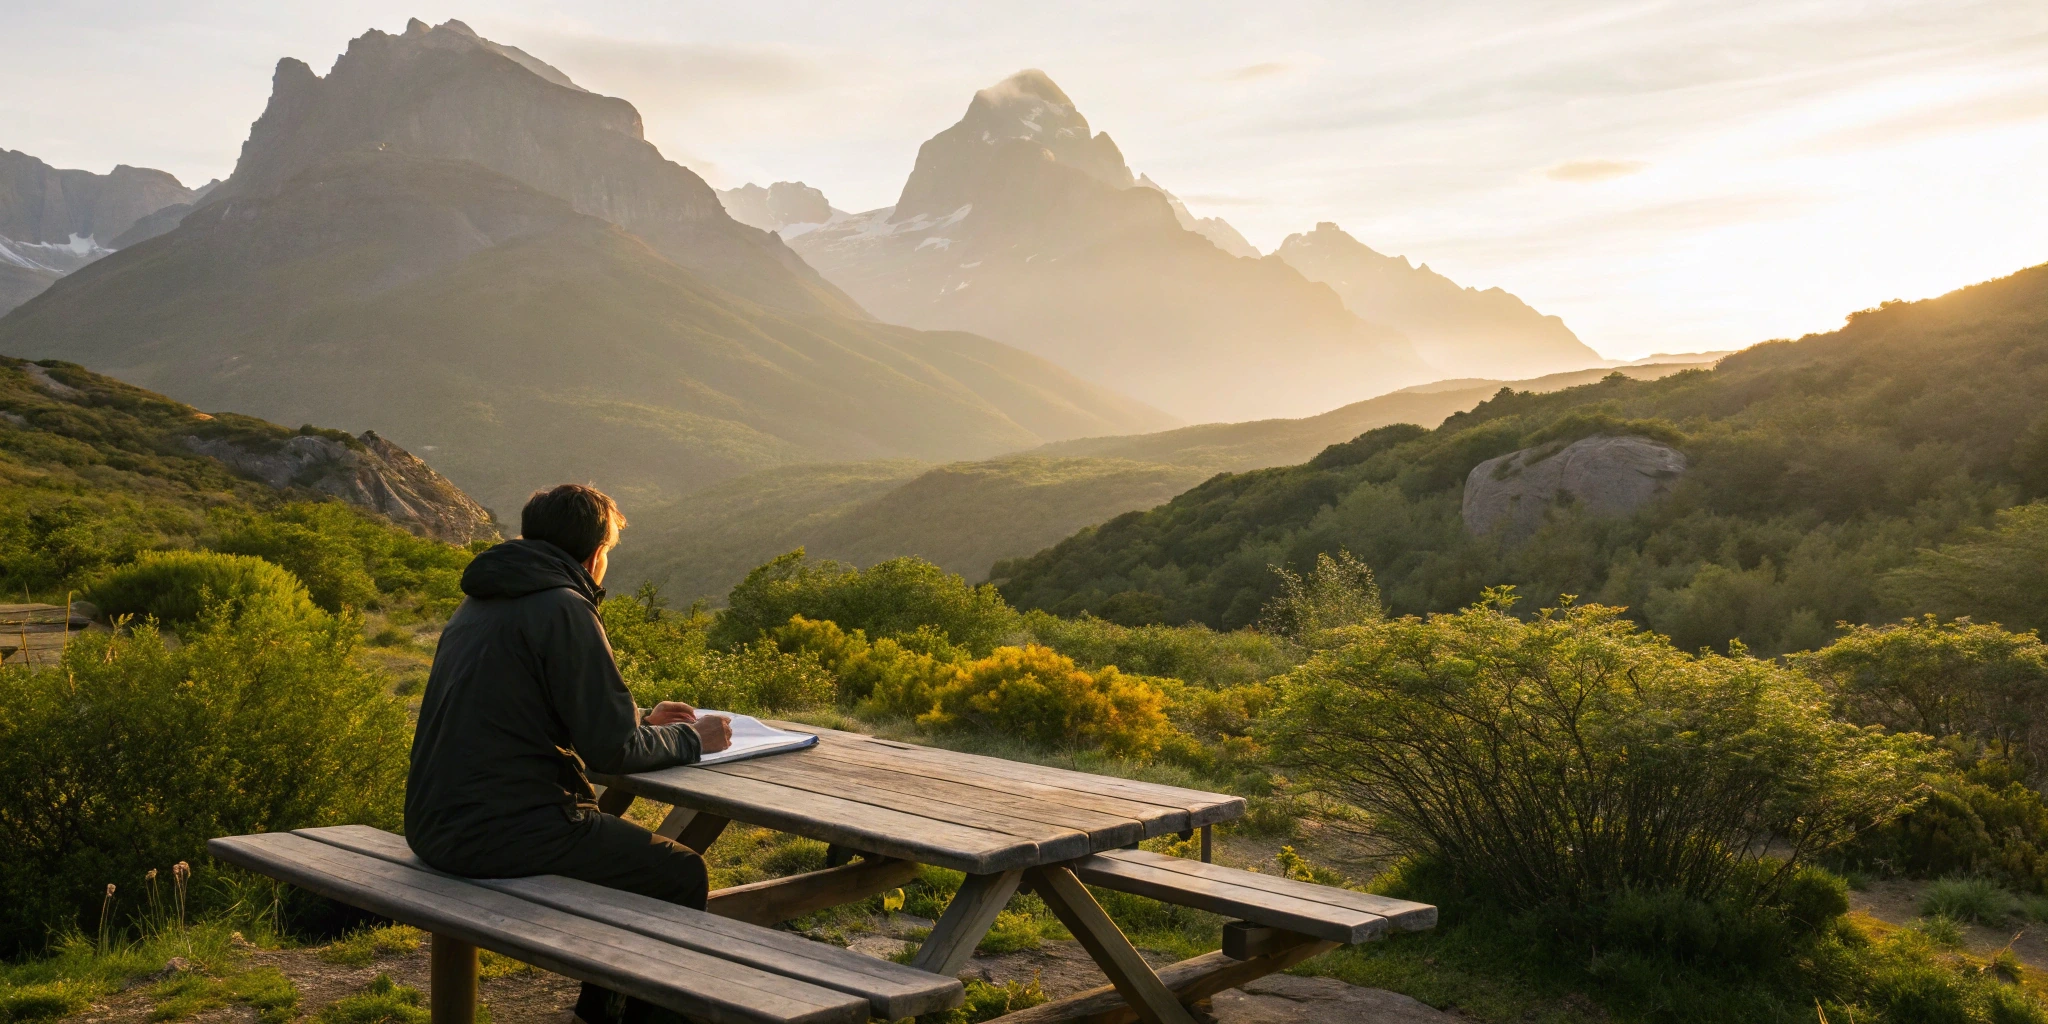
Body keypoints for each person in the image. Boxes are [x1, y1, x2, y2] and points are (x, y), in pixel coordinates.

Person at [405, 483, 731, 1024]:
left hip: (435, 822)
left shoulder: (484, 600)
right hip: (500, 832)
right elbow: (613, 751)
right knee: (678, 873)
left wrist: (641, 720)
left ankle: (597, 1012)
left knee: (634, 862)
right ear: (596, 553)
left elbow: (531, 706)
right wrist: (695, 739)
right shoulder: (563, 606)